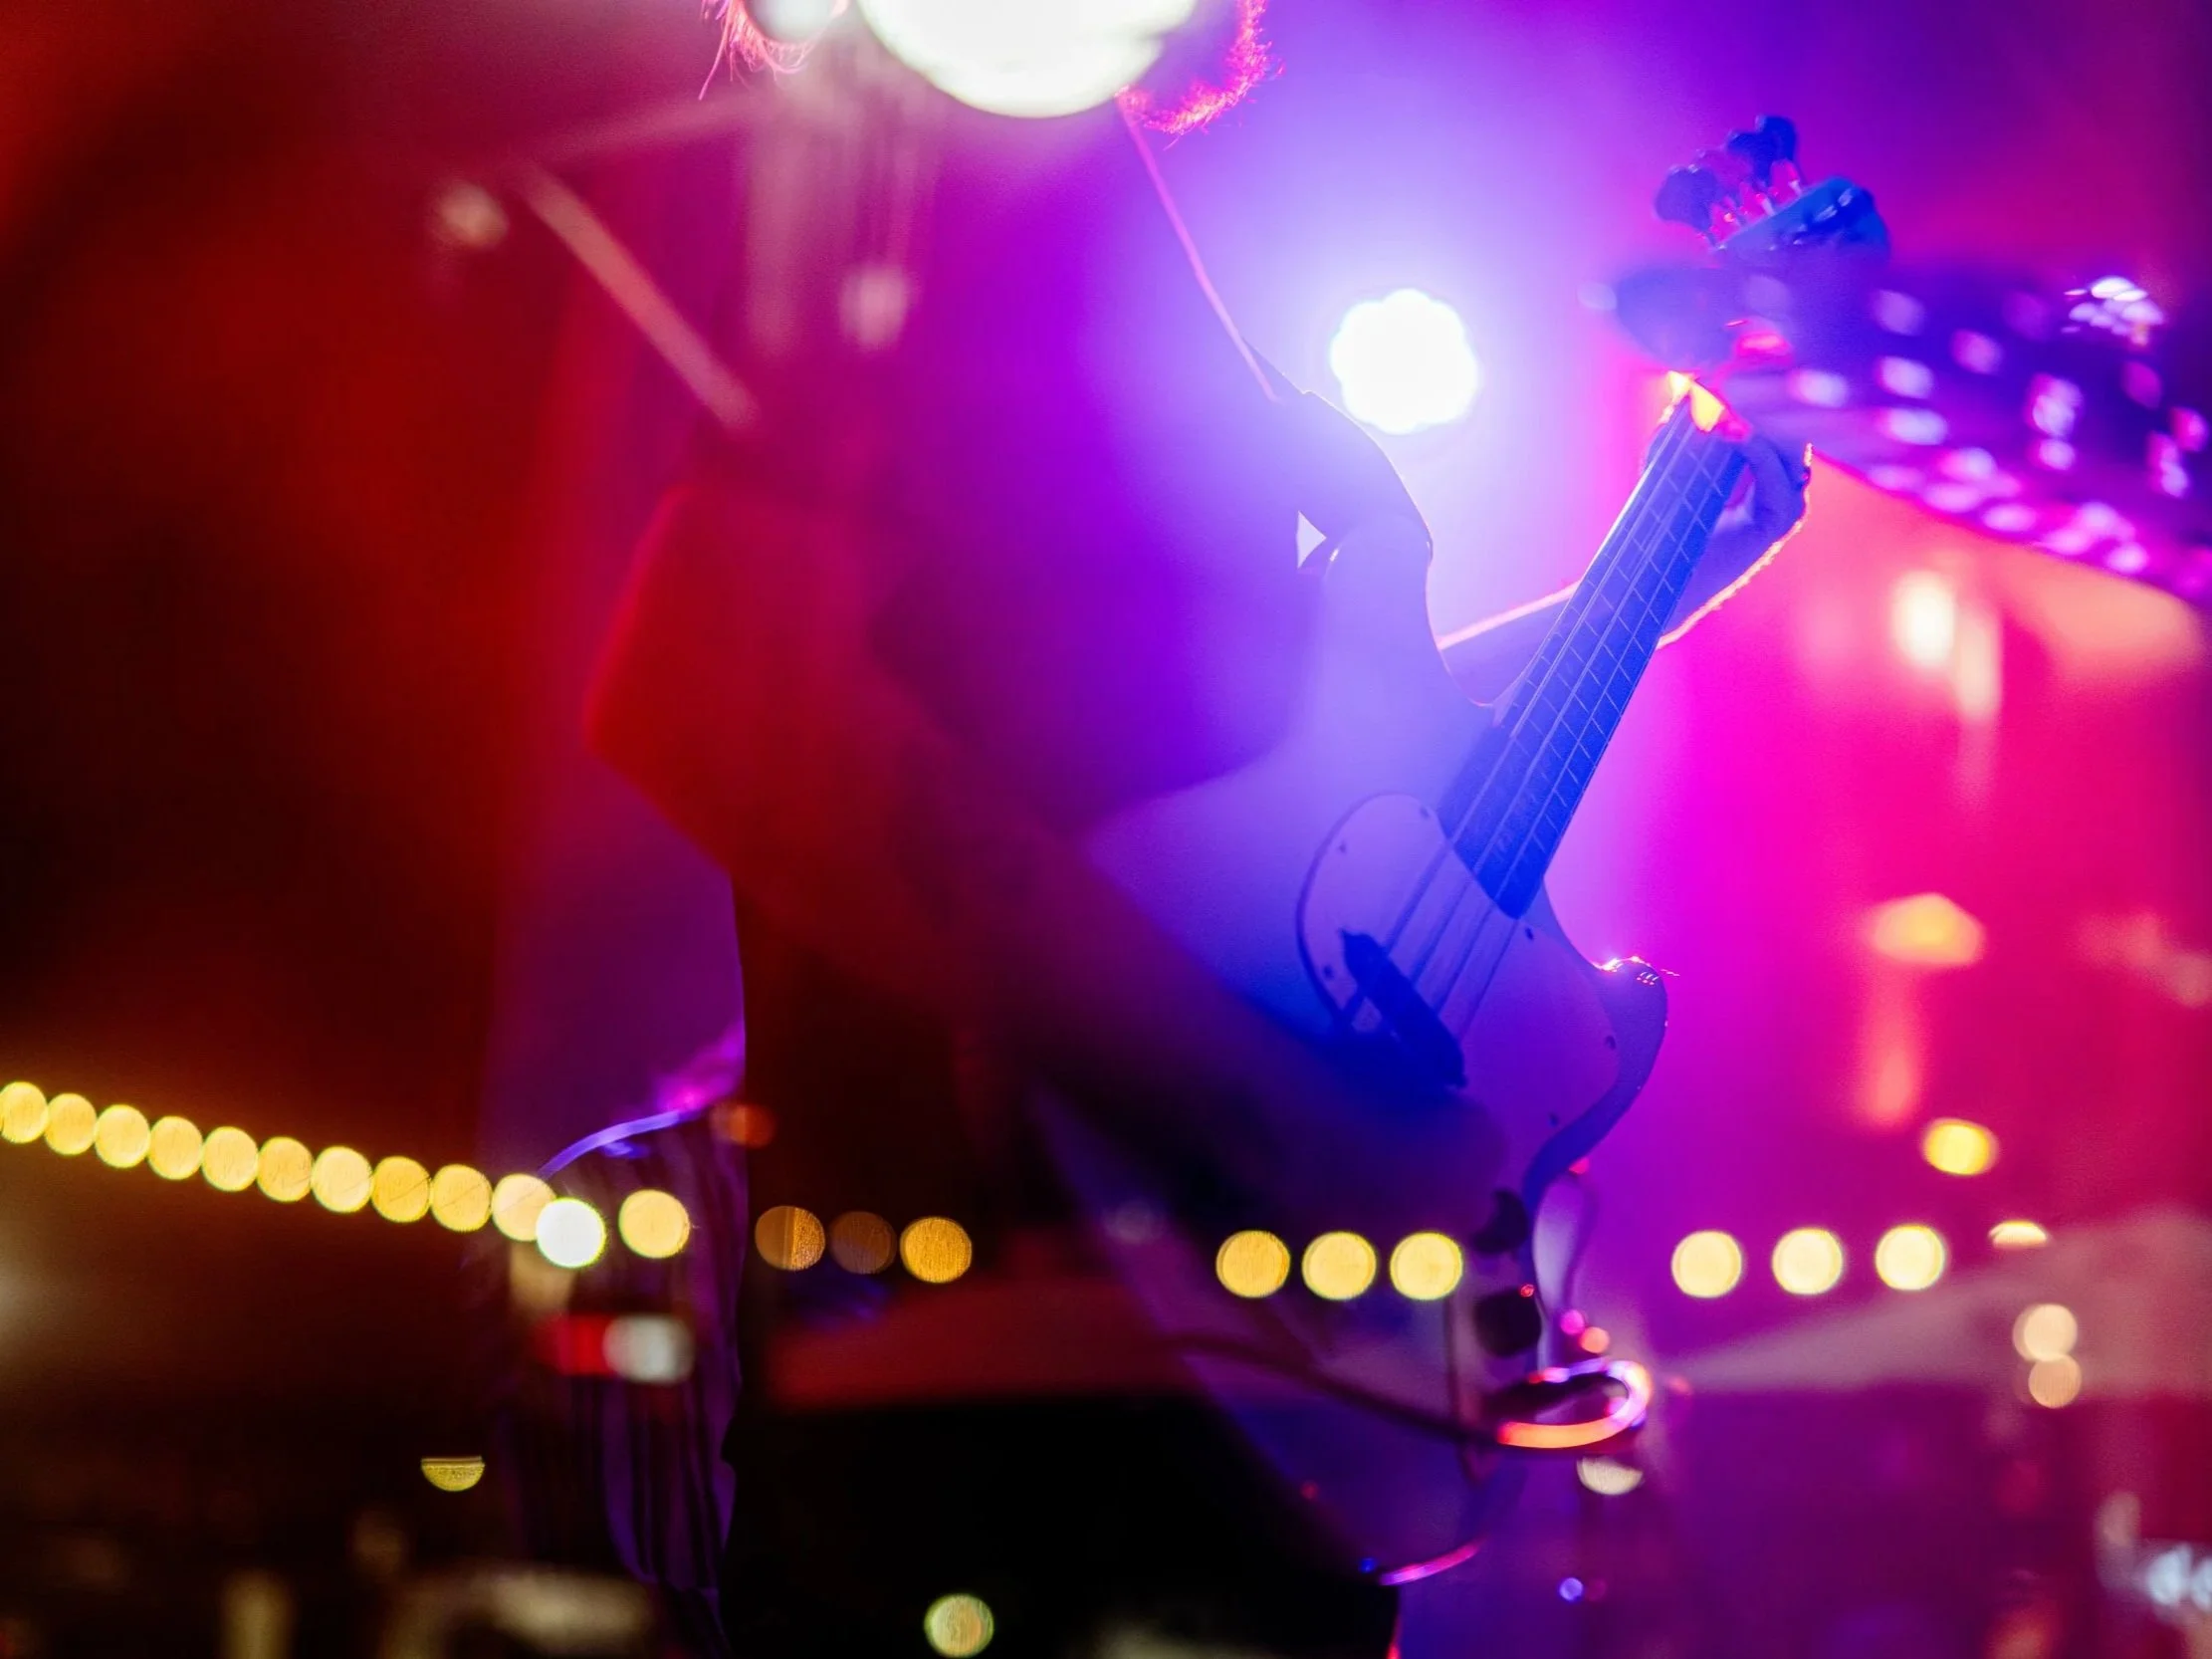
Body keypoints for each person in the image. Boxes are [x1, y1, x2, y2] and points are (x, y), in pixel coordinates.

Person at [581, 5, 1809, 1653]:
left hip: (1205, 1426)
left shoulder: (1072, 167)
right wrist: (1277, 1114)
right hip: (999, 1466)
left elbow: (1221, 782)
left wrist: (1642, 587)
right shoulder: (939, 142)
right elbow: (711, 695)